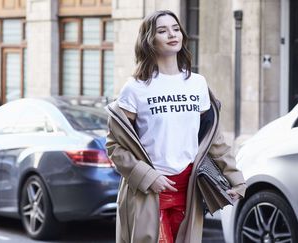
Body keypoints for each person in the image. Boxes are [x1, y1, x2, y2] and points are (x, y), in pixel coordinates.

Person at [105, 10, 246, 243]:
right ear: (150, 40)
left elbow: (214, 140)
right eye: (162, 30)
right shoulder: (135, 88)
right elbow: (115, 147)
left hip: (188, 188)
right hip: (148, 191)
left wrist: (236, 179)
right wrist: (148, 177)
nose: (172, 34)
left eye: (175, 28)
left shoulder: (197, 83)